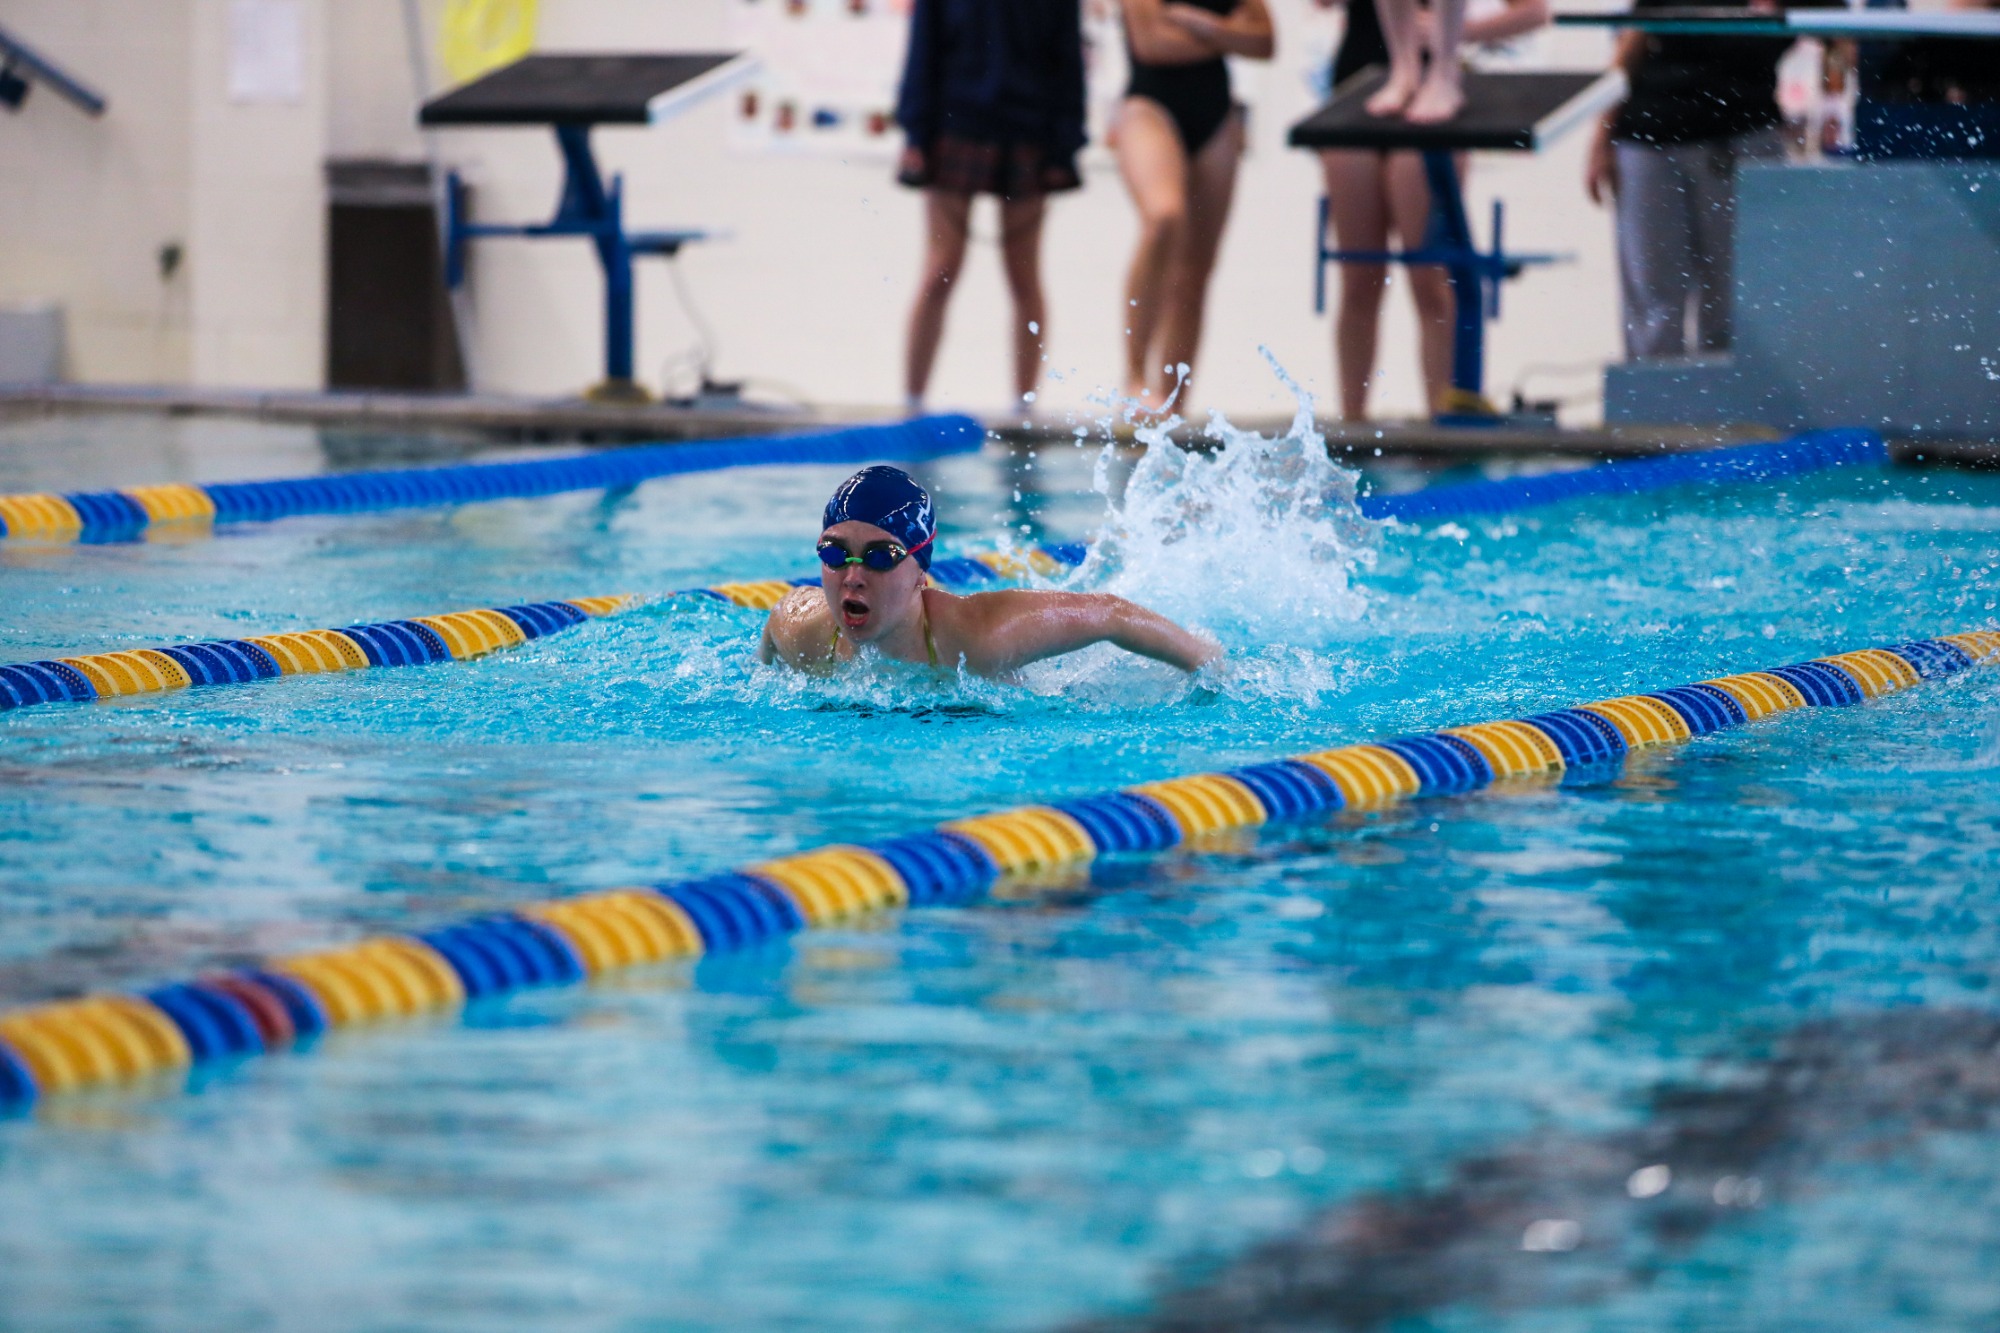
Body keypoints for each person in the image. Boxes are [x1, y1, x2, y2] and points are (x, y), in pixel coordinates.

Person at [1314, 0, 1548, 419]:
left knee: (1430, 279)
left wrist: (1452, 36)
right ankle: (1353, 425)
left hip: (1433, 99)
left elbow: (1535, 11)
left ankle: (1442, 421)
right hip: (1358, 82)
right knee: (1359, 279)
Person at [760, 466, 1221, 679]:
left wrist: (1209, 665)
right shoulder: (803, 632)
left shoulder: (979, 639)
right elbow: (766, 647)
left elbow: (1110, 613)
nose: (852, 576)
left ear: (921, 570)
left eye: (881, 556)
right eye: (836, 554)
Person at [1585, 0, 1831, 359]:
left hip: (1740, 134)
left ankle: (1729, 407)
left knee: (1736, 302)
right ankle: (1655, 410)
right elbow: (1631, 43)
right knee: (1655, 306)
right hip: (1651, 137)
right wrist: (1601, 137)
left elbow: (1841, 34)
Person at [894, 0, 1087, 410]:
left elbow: (1067, 60)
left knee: (1023, 275)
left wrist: (1064, 148)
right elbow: (922, 50)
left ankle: (1024, 406)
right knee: (940, 270)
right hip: (954, 122)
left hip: (1029, 128)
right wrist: (915, 133)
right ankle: (911, 402)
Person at [1115, 0, 1275, 408]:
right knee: (1164, 217)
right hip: (1149, 104)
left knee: (1196, 271)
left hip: (1216, 113)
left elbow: (1266, 41)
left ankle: (1173, 405)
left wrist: (1201, 25)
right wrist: (1226, 34)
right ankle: (1134, 379)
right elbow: (1152, 44)